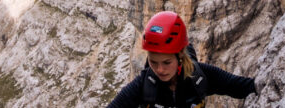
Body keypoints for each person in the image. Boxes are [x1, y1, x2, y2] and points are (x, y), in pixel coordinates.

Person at [106, 11, 258, 108]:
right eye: (153, 62)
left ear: (180, 57)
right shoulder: (144, 85)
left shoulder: (199, 76)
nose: (159, 69)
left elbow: (242, 86)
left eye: (166, 62)